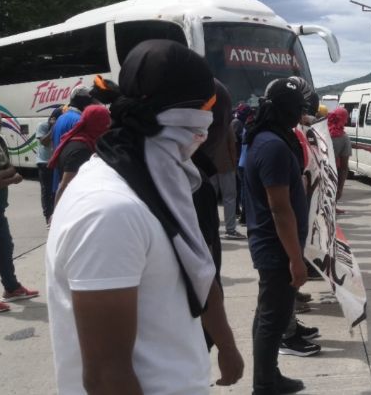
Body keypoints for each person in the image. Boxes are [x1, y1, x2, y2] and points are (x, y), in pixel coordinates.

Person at [46, 40, 243, 393]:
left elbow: (195, 266)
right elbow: (107, 376)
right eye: (209, 110)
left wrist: (225, 344)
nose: (209, 130)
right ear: (188, 114)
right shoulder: (109, 210)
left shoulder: (159, 182)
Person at [245, 78, 314, 394]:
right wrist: (296, 260)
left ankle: (269, 375)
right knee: (273, 320)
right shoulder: (272, 145)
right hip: (277, 249)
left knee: (267, 316)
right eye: (297, 109)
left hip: (274, 246)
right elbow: (279, 209)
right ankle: (264, 385)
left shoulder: (269, 139)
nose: (300, 115)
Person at [0, 106, 39, 313]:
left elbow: (11, 168)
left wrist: (7, 175)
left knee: (5, 249)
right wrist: (13, 179)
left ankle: (12, 288)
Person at [49, 105, 111, 208]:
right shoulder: (81, 150)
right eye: (105, 122)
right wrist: (55, 215)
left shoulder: (77, 140)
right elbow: (65, 186)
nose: (108, 127)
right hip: (75, 208)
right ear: (96, 123)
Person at [50, 86, 96, 197]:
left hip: (60, 177)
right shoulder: (79, 120)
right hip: (72, 180)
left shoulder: (61, 118)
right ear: (83, 100)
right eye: (89, 100)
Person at [211, 124, 241, 239]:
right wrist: (234, 166)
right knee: (229, 198)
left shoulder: (206, 124)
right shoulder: (226, 126)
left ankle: (213, 227)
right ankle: (230, 230)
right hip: (226, 166)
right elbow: (232, 147)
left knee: (210, 199)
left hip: (209, 167)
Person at [36, 107, 61, 226]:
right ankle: (47, 217)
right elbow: (44, 142)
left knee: (56, 190)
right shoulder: (42, 126)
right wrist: (54, 128)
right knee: (46, 191)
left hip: (56, 162)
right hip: (44, 162)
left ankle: (56, 214)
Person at [328, 107, 351, 215]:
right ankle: (333, 207)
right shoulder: (344, 138)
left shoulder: (319, 130)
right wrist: (340, 188)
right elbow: (344, 166)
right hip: (334, 170)